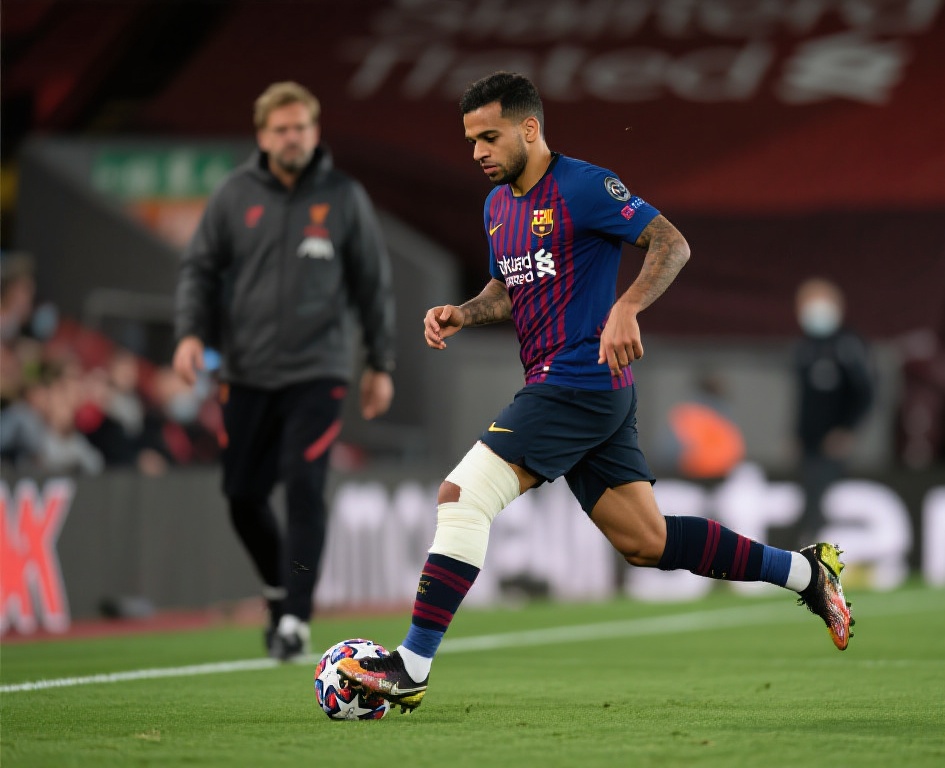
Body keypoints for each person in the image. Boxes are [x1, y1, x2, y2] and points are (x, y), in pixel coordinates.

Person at [336, 72, 852, 712]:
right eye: (470, 140)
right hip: (582, 390)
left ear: (530, 128)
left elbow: (671, 243)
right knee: (647, 542)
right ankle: (806, 573)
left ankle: (411, 666)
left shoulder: (583, 186)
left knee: (461, 496)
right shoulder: (497, 206)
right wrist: (463, 313)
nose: (477, 152)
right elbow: (508, 288)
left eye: (489, 137)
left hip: (577, 381)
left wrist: (627, 306)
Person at [172, 81, 396, 661]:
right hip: (245, 373)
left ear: (315, 132)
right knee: (241, 495)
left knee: (303, 483)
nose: (292, 137)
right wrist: (191, 334)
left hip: (319, 371)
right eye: (281, 129)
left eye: (301, 127)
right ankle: (280, 589)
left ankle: (295, 617)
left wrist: (380, 363)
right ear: (262, 136)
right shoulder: (234, 195)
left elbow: (373, 285)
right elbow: (199, 269)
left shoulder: (344, 197)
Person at [793, 278, 874, 543]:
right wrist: (798, 434)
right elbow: (804, 400)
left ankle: (837, 549)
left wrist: (847, 430)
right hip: (810, 444)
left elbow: (865, 392)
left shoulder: (847, 344)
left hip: (835, 444)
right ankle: (811, 548)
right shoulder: (805, 347)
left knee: (832, 499)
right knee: (809, 498)